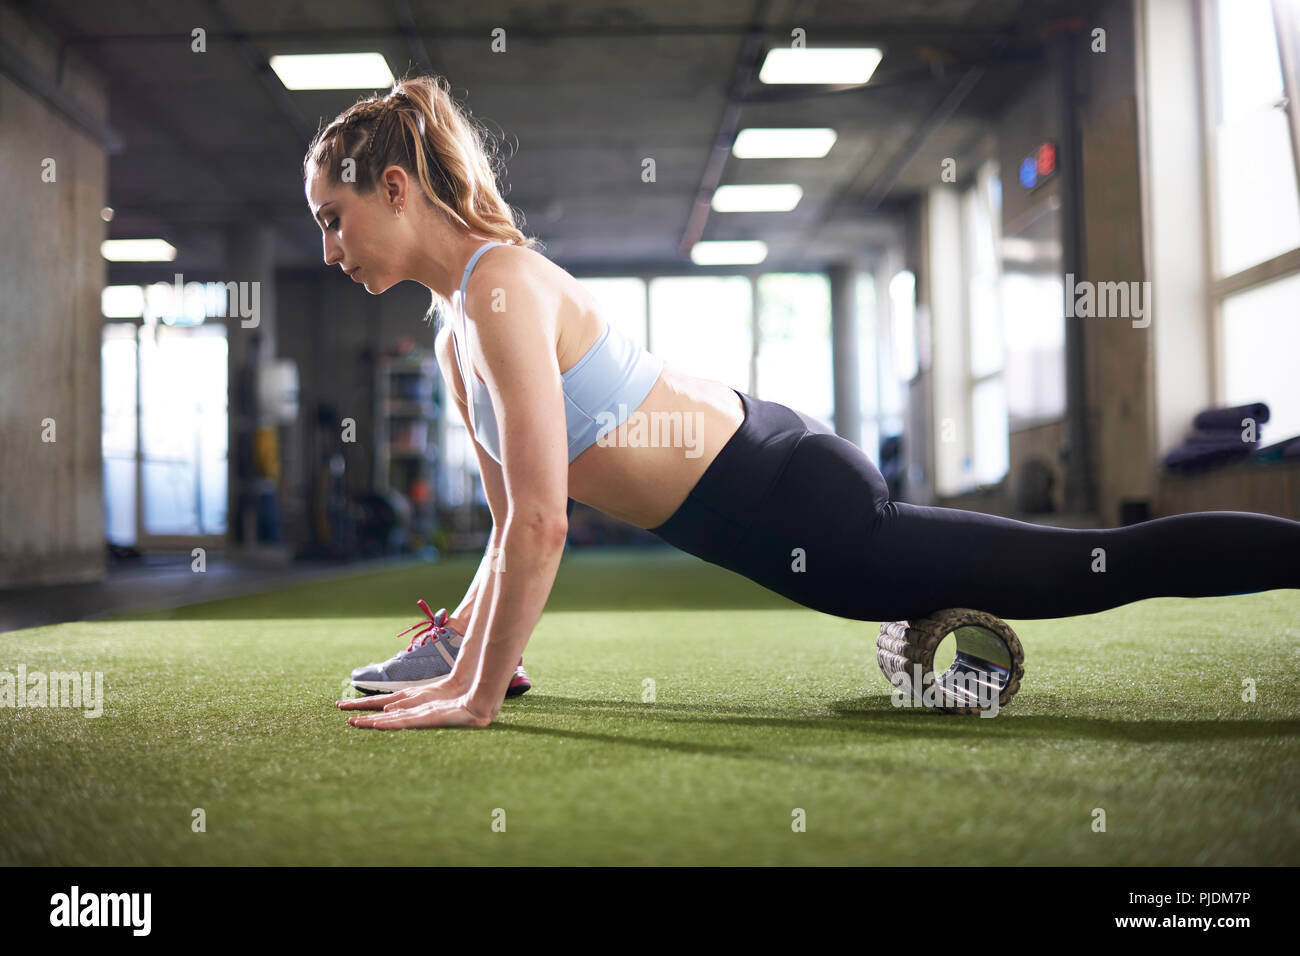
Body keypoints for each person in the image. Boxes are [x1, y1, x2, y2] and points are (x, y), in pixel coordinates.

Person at [303, 75, 1300, 732]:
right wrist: (470, 657)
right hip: (769, 451)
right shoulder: (453, 332)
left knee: (1091, 566)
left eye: (333, 219)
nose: (327, 249)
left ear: (394, 187)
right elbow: (507, 526)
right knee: (1077, 563)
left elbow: (546, 520)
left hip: (803, 509)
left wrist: (474, 695)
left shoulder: (499, 286)